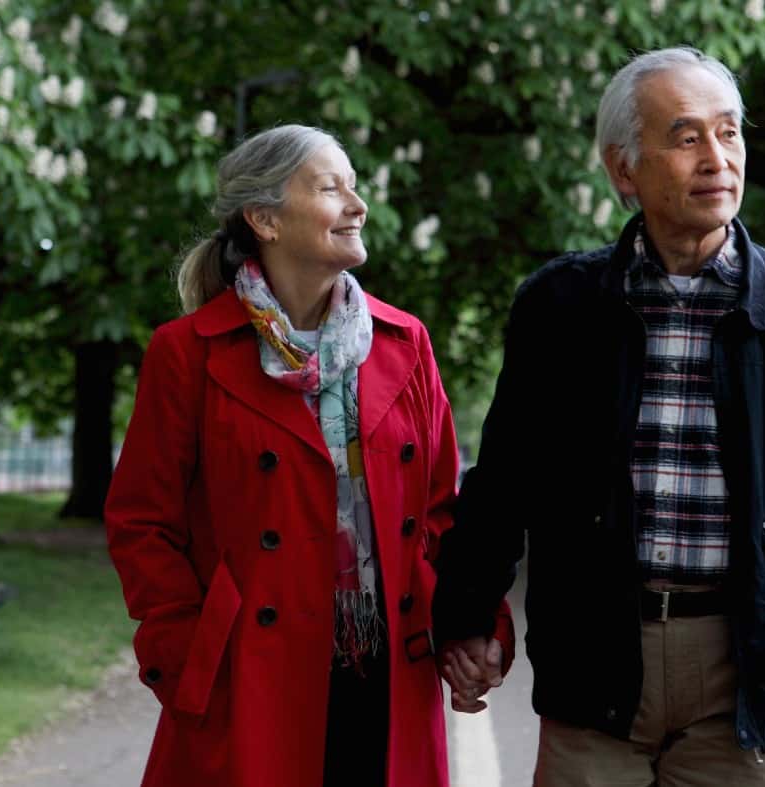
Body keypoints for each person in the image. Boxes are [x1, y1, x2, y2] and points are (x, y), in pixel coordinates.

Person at [431, 47, 765, 787]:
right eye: (686, 138)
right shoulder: (560, 306)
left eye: (729, 133)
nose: (717, 158)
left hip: (743, 660)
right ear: (624, 170)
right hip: (595, 656)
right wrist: (464, 615)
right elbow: (506, 480)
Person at [104, 124, 513, 787]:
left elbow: (441, 514)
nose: (358, 206)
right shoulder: (188, 353)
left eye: (354, 187)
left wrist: (472, 623)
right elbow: (141, 522)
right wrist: (185, 653)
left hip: (389, 677)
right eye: (331, 187)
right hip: (252, 680)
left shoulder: (405, 344)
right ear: (264, 218)